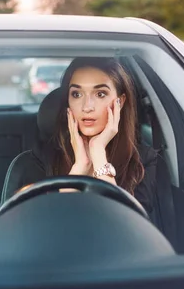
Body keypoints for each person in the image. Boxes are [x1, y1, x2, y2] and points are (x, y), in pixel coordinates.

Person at [46, 57, 158, 214]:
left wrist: (98, 152)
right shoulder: (47, 158)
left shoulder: (143, 160)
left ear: (120, 101)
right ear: (68, 102)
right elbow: (49, 226)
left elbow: (125, 227)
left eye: (100, 94)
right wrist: (80, 167)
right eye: (77, 94)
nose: (87, 107)